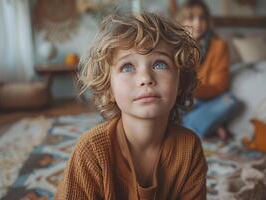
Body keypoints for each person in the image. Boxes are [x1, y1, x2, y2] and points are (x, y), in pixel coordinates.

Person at [56, 12, 208, 199]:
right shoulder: (91, 151)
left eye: (160, 64)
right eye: (127, 67)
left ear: (180, 81)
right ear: (108, 88)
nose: (145, 78)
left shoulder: (189, 148)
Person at [169, 0, 238, 141]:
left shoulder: (219, 46)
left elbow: (219, 85)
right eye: (191, 18)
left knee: (230, 101)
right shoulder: (172, 46)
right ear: (181, 21)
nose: (197, 23)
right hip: (181, 102)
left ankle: (188, 127)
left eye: (202, 18)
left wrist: (192, 89)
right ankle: (206, 125)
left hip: (206, 99)